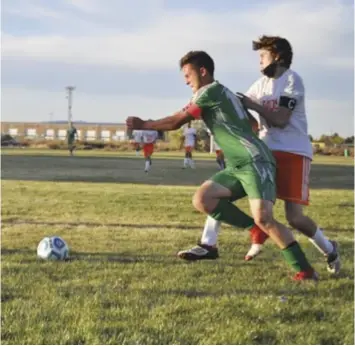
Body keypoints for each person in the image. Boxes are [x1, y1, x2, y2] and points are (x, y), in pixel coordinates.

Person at [127, 50, 318, 281]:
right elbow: (250, 123)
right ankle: (253, 230)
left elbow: (176, 121)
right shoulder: (225, 92)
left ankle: (305, 271)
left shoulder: (209, 92)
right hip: (239, 163)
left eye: (188, 75)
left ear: (203, 71)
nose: (186, 81)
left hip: (254, 161)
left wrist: (144, 124)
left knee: (265, 218)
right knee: (203, 199)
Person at [181, 36, 340, 275]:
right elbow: (237, 109)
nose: (259, 62)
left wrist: (254, 106)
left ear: (277, 56)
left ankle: (329, 249)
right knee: (216, 193)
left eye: (262, 56)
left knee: (295, 218)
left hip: (293, 151)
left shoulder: (291, 80)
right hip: (263, 152)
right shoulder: (259, 84)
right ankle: (208, 243)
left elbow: (281, 119)